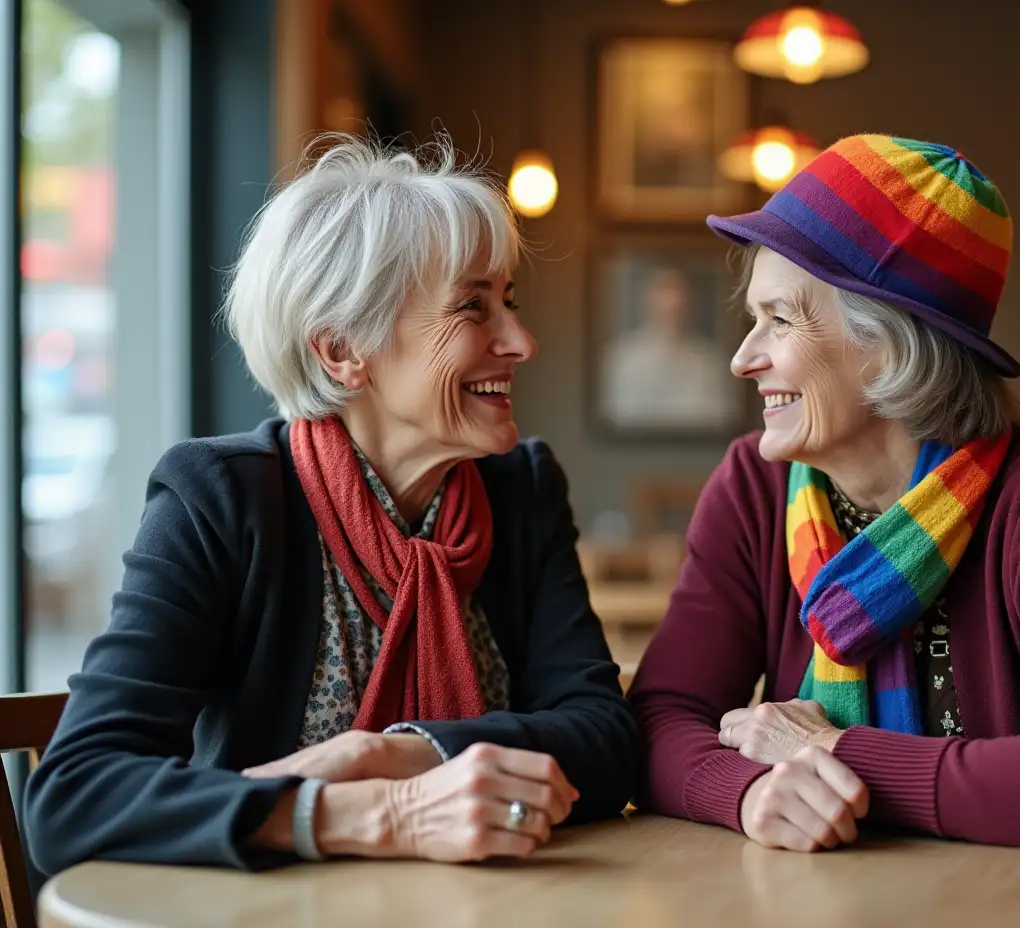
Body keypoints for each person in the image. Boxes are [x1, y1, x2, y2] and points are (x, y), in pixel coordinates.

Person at [628, 134, 1020, 927]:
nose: (742, 357)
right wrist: (756, 789)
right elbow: (658, 722)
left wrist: (836, 755)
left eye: (778, 321)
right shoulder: (754, 489)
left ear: (887, 344)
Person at [24, 135, 637, 873]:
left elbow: (607, 742)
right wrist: (376, 811)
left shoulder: (522, 490)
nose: (522, 341)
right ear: (343, 349)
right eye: (473, 308)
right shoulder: (220, 499)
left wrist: (391, 753)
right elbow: (72, 797)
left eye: (508, 301)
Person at [600, 266, 737, 429]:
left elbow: (721, 421)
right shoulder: (621, 358)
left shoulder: (712, 361)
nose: (672, 303)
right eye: (664, 291)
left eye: (678, 294)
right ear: (647, 301)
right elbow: (615, 419)